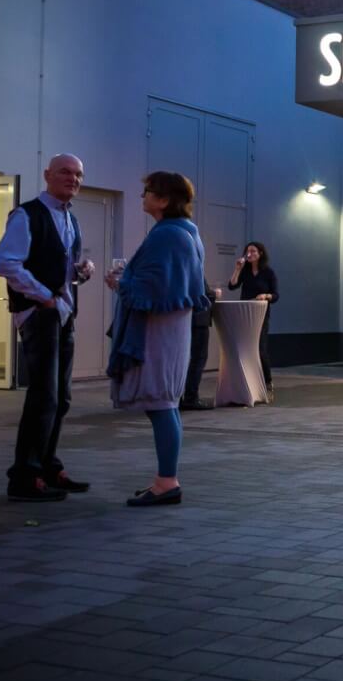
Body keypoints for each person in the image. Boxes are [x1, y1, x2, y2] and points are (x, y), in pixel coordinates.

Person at [0, 153, 95, 502]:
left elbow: (57, 263)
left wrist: (79, 271)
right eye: (66, 172)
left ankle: (48, 467)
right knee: (44, 397)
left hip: (64, 313)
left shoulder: (71, 218)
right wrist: (43, 297)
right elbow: (5, 262)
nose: (73, 179)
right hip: (40, 314)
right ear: (47, 174)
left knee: (61, 398)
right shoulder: (27, 214)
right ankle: (25, 477)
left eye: (79, 174)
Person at [106, 172, 209, 507]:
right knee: (165, 405)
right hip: (171, 332)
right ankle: (165, 479)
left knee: (161, 404)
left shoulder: (168, 235)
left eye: (147, 192)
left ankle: (167, 482)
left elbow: (152, 289)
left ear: (164, 199)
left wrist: (120, 284)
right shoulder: (186, 233)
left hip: (158, 333)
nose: (142, 197)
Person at [228, 241, 279, 395]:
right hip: (245, 314)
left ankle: (268, 382)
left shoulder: (268, 272)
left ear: (260, 254)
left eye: (253, 251)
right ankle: (249, 383)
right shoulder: (245, 271)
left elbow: (276, 295)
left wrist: (266, 295)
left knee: (260, 349)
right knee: (245, 348)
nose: (249, 254)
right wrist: (237, 269)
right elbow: (232, 285)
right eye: (247, 251)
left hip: (260, 315)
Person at [180, 280, 222, 410]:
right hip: (198, 319)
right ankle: (191, 397)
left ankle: (181, 396)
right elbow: (201, 293)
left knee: (189, 359)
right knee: (199, 358)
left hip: (186, 318)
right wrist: (215, 294)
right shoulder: (195, 265)